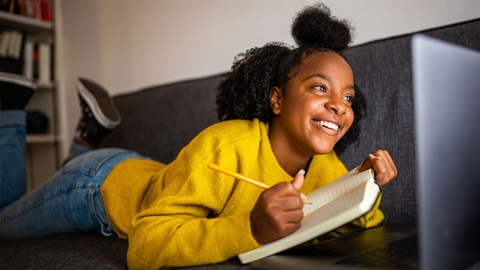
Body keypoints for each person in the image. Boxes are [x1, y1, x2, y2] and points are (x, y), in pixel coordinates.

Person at [0, 3, 397, 269]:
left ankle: (87, 136)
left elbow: (348, 223)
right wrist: (251, 230)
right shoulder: (225, 145)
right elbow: (144, 245)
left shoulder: (325, 164)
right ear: (276, 99)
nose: (340, 106)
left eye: (348, 96)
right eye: (319, 88)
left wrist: (363, 184)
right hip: (96, 187)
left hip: (150, 174)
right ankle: (10, 112)